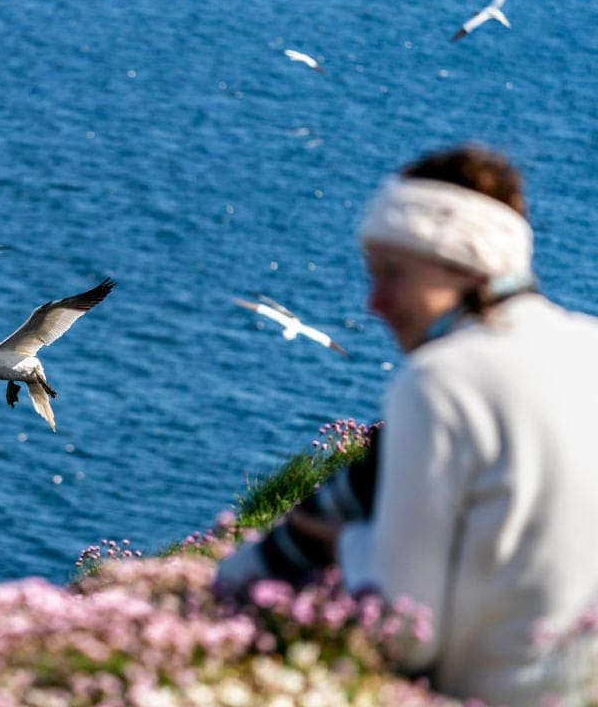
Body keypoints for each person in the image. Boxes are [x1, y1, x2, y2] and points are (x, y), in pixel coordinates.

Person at [219, 144, 598, 705]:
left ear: (464, 266)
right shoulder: (587, 345)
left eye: (392, 275)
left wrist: (337, 546)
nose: (374, 303)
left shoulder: (442, 380)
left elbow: (403, 630)